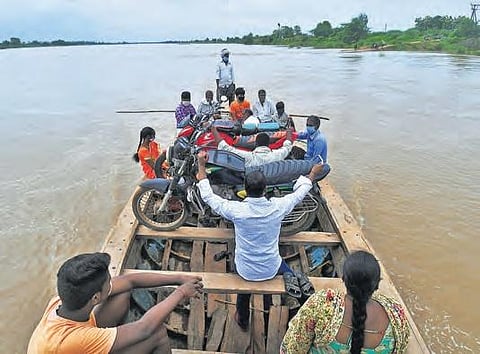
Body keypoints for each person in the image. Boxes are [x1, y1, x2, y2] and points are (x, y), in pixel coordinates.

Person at [196, 151, 326, 331]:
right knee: (291, 272)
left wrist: (201, 166)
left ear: (245, 190)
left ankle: (243, 319)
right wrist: (312, 174)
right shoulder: (278, 207)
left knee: (242, 283)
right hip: (272, 267)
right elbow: (299, 194)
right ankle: (303, 307)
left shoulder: (236, 210)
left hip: (245, 270)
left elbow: (209, 197)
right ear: (265, 190)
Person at [27, 252, 203, 354]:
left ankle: (120, 337)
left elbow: (129, 281)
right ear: (95, 298)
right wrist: (181, 292)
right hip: (76, 345)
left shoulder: (60, 301)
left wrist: (179, 278)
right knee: (157, 333)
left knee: (121, 293)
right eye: (108, 281)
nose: (111, 282)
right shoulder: (71, 340)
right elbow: (145, 329)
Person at [280, 250, 410, 353]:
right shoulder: (396, 315)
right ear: (377, 284)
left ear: (343, 279)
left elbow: (293, 348)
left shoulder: (322, 303)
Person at [212, 125, 292, 167]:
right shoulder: (276, 155)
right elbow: (287, 147)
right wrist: (289, 132)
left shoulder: (249, 157)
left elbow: (225, 148)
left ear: (256, 144)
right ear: (268, 145)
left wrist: (214, 130)